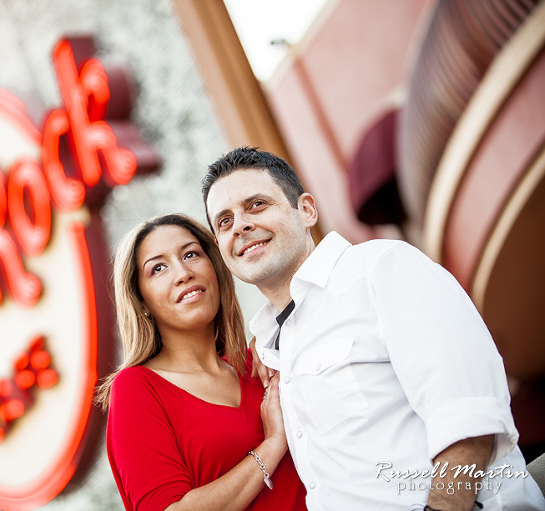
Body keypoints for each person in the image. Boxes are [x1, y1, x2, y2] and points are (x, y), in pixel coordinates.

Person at [202, 146, 545, 511]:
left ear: (306, 210)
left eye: (256, 205)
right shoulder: (271, 345)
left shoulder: (381, 268)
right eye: (224, 221)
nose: (239, 225)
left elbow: (468, 411)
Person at [95, 213, 306, 510]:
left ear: (216, 269)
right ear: (141, 301)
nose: (183, 273)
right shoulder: (137, 388)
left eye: (191, 254)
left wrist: (271, 333)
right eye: (158, 268)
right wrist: (272, 445)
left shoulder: (261, 363)